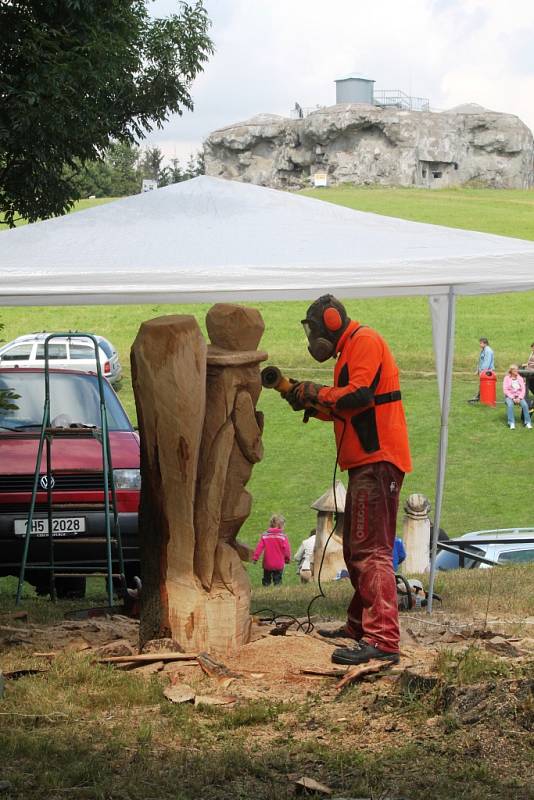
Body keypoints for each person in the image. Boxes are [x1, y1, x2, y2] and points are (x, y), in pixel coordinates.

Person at [283, 294, 412, 665]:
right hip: (365, 462)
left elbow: (360, 396)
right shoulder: (349, 352)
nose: (313, 339)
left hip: (378, 460)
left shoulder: (365, 342)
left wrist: (316, 392)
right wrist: (312, 403)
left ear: (331, 321)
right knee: (357, 549)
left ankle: (384, 639)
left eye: (315, 329)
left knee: (371, 551)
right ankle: (359, 626)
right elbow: (348, 408)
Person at [252, 514, 291, 586]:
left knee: (266, 580)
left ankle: (265, 590)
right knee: (278, 581)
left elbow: (259, 547)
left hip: (267, 563)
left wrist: (255, 558)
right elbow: (287, 550)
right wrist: (287, 559)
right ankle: (277, 592)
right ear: (280, 525)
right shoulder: (283, 536)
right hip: (279, 563)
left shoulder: (265, 535)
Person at [503, 365, 532, 430]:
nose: (517, 371)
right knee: (510, 405)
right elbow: (505, 390)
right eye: (515, 370)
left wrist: (519, 398)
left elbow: (523, 389)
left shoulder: (520, 378)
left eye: (517, 370)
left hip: (519, 396)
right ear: (511, 371)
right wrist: (513, 398)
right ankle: (511, 423)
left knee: (525, 405)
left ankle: (527, 422)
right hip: (509, 396)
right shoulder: (506, 378)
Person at [468, 337, 495, 403]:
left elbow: (486, 362)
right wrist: (478, 370)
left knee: (484, 385)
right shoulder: (483, 350)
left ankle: (479, 398)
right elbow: (480, 361)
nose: (480, 344)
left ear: (485, 343)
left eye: (481, 343)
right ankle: (480, 397)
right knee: (482, 385)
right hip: (483, 371)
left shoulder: (488, 351)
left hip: (487, 372)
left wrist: (483, 372)